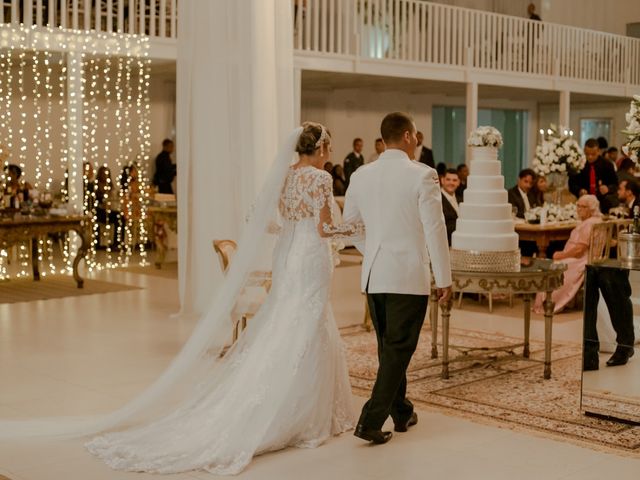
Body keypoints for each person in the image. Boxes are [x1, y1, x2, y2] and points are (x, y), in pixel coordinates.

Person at [86, 122, 362, 474]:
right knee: (309, 323)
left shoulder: (285, 174)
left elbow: (257, 216)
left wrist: (287, 229)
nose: (330, 154)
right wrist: (358, 226)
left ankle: (291, 401)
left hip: (287, 253)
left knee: (287, 321)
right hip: (310, 256)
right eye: (329, 147)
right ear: (321, 148)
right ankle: (304, 412)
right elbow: (325, 229)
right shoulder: (321, 179)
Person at [343, 112, 452, 445]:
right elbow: (435, 228)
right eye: (416, 136)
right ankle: (370, 420)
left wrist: (372, 249)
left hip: (374, 275)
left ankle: (401, 412)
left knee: (389, 349)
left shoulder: (361, 175)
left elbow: (351, 225)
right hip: (407, 274)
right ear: (407, 136)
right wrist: (443, 277)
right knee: (397, 350)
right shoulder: (423, 175)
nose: (417, 142)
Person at [533, 195, 602, 314]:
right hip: (586, 257)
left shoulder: (590, 224)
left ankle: (549, 303)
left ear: (591, 209)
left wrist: (562, 255)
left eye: (583, 207)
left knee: (555, 266)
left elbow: (579, 250)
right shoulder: (595, 221)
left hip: (582, 259)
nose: (579, 209)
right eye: (578, 206)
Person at [568, 138, 618, 213]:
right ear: (584, 150)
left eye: (593, 154)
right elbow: (571, 184)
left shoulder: (607, 165)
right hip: (583, 203)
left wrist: (608, 188)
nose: (590, 157)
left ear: (599, 151)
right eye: (587, 154)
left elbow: (616, 184)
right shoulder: (578, 164)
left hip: (603, 203)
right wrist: (579, 190)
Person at [440, 168, 460, 245]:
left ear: (458, 182)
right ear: (442, 180)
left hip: (459, 244)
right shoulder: (436, 199)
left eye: (454, 180)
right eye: (448, 179)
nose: (451, 183)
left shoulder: (461, 199)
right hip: (445, 244)